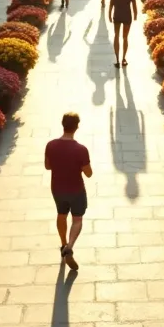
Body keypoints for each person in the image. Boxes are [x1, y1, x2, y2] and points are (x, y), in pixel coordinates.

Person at [45, 112, 92, 271]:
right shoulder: (81, 149)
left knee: (61, 215)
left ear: (62, 124)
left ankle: (63, 242)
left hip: (57, 189)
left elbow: (48, 166)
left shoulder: (50, 145)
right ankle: (69, 247)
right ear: (77, 127)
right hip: (76, 190)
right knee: (77, 219)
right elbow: (88, 173)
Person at [108, 0, 138, 67]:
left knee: (116, 35)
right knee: (125, 37)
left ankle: (117, 59)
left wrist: (109, 13)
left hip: (117, 15)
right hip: (127, 15)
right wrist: (135, 15)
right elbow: (134, 4)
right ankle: (124, 58)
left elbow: (111, 3)